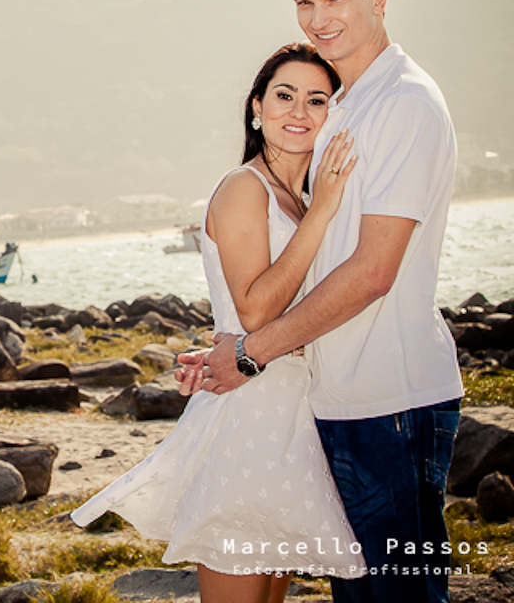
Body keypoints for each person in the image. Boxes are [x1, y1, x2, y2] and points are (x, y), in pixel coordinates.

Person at [188, 0, 464, 603]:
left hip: (391, 403)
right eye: (304, 3)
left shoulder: (402, 103)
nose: (320, 19)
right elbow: (298, 266)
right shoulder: (344, 106)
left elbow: (373, 271)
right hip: (334, 402)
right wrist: (233, 340)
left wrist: (250, 353)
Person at [73, 43, 362, 603]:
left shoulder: (300, 199)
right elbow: (254, 309)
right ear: (257, 107)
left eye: (316, 100)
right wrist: (325, 210)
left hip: (296, 415)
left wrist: (319, 206)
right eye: (284, 95)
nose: (299, 111)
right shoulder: (244, 188)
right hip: (248, 418)